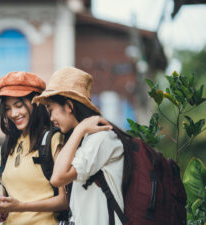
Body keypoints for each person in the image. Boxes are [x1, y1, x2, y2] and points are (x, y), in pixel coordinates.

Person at [32, 67, 133, 225]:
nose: (51, 118)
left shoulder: (102, 138)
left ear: (69, 106)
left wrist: (80, 128)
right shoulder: (84, 140)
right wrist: (80, 131)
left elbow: (57, 178)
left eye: (51, 110)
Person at [0, 71, 68, 225]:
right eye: (8, 108)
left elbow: (65, 200)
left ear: (36, 103)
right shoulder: (7, 145)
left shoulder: (52, 139)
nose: (13, 113)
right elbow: (9, 198)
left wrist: (20, 207)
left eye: (19, 105)